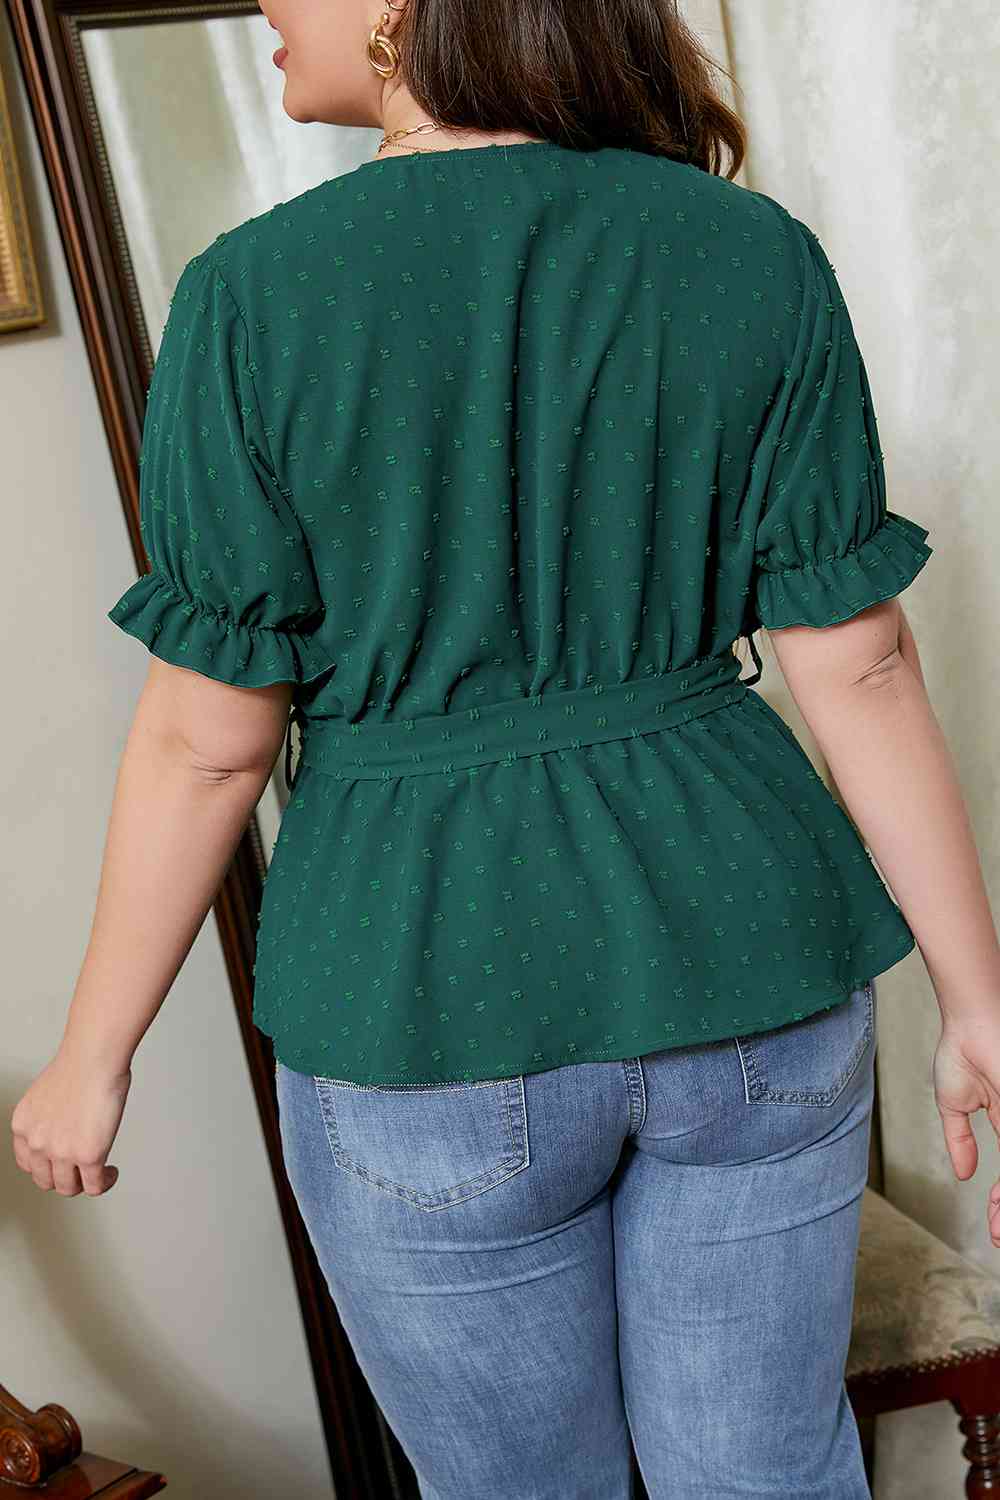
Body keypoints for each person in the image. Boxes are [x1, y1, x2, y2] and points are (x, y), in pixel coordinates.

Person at [11, 0, 1000, 1494]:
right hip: (751, 959)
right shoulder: (750, 252)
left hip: (424, 997)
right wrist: (976, 1001)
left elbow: (209, 748)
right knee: (766, 1472)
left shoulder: (251, 297)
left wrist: (95, 1055)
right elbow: (857, 666)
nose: (267, 1)